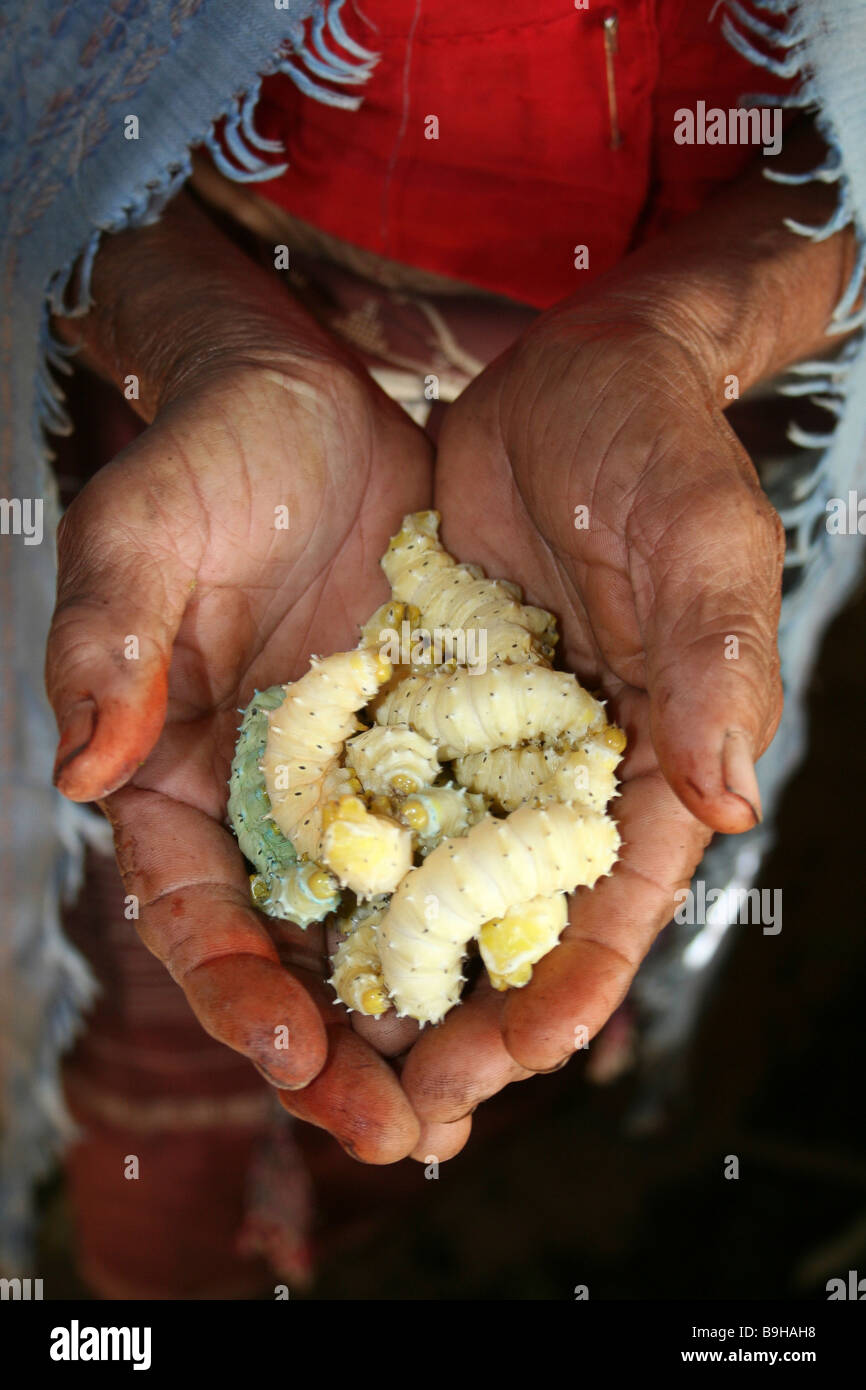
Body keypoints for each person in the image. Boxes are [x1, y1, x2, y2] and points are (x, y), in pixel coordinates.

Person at [3, 0, 865, 1291]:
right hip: (224, 317)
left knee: (499, 989)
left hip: (697, 405)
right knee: (168, 922)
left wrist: (679, 334)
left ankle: (395, 1231)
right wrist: (190, 327)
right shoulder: (411, 720)